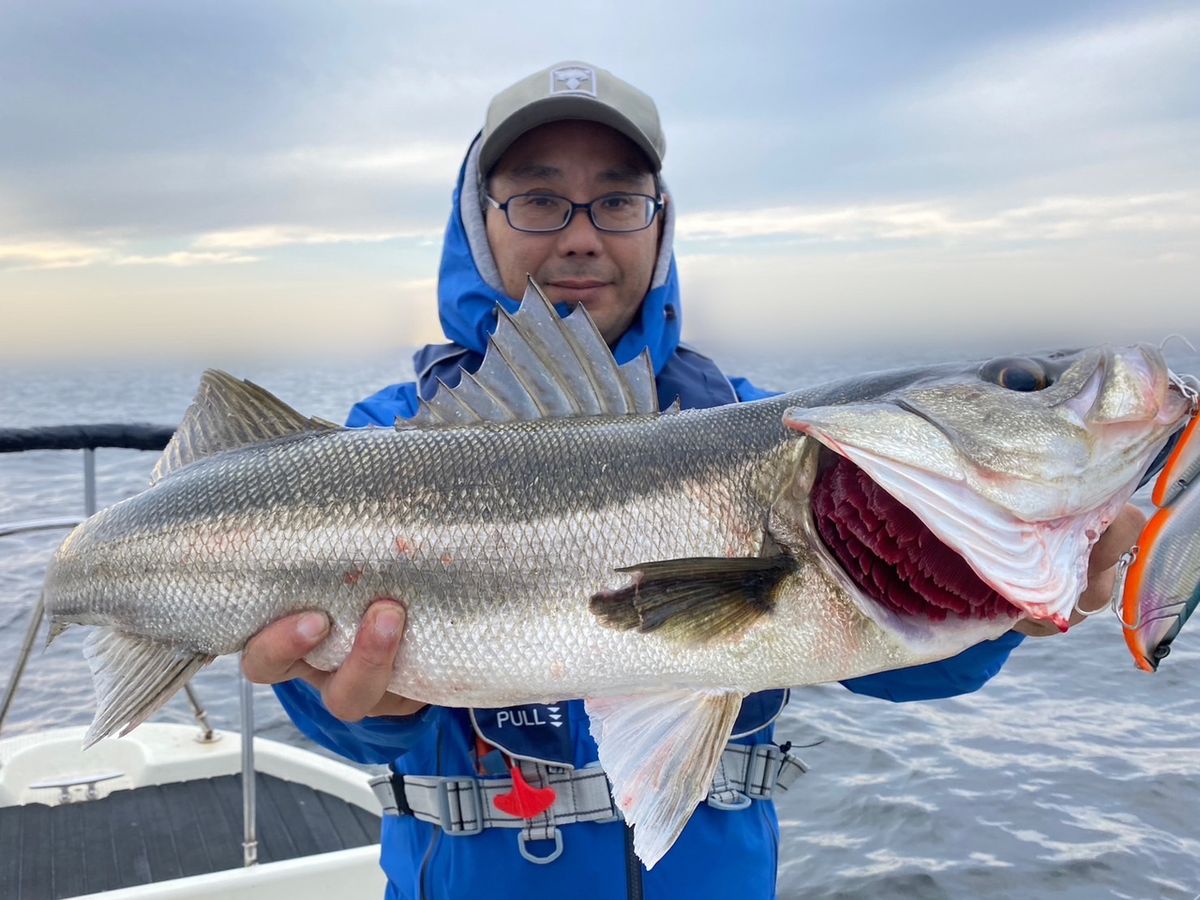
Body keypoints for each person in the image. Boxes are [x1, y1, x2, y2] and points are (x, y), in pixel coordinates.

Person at [242, 61, 1145, 899]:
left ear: (662, 222)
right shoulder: (380, 447)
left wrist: (988, 605)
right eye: (540, 200)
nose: (583, 236)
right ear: (479, 221)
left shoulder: (771, 426)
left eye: (618, 200)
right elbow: (335, 710)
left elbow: (892, 670)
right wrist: (363, 708)